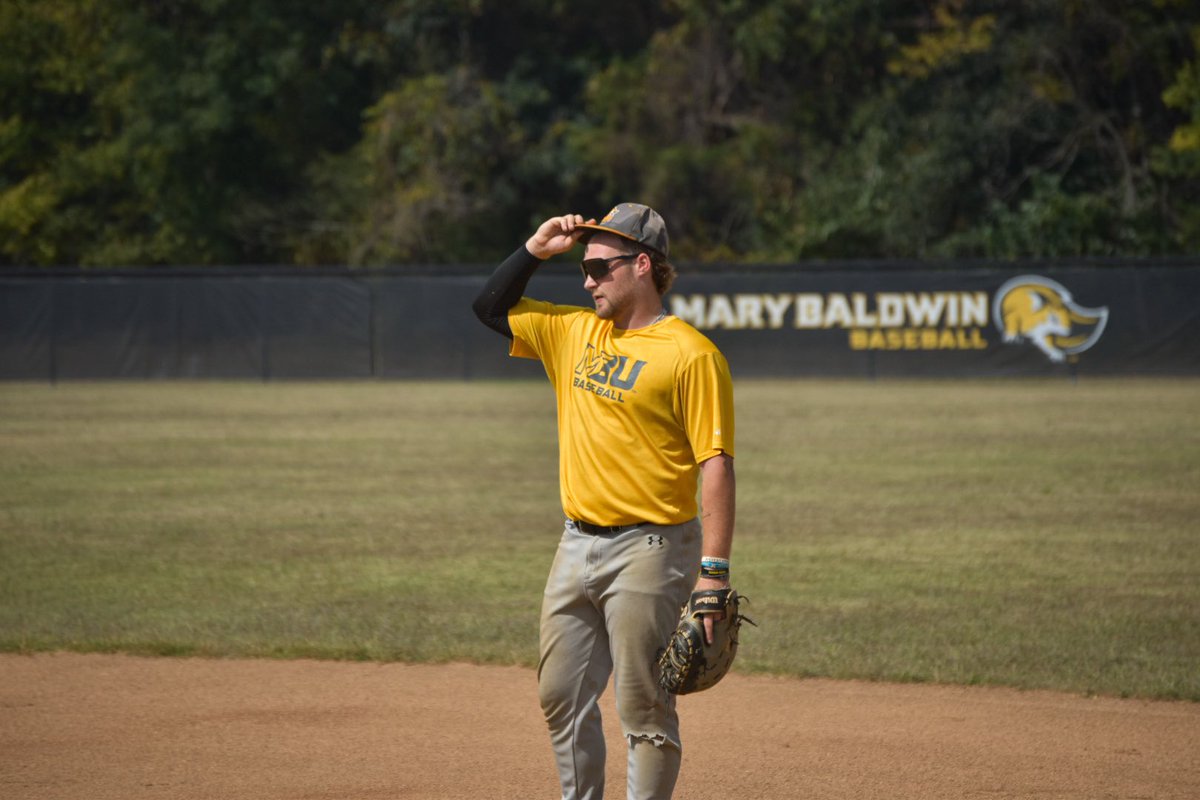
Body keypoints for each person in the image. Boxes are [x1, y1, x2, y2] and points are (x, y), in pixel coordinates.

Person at [472, 203, 736, 800]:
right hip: (575, 544)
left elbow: (715, 463)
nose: (587, 279)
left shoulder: (691, 354)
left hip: (653, 547)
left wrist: (713, 575)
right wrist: (535, 249)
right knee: (559, 695)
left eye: (599, 267)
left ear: (642, 265)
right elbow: (489, 308)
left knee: (643, 707)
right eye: (584, 269)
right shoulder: (571, 332)